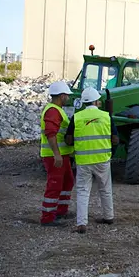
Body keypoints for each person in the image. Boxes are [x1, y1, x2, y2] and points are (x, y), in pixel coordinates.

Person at [65, 87, 119, 234]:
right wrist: (110, 153)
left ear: (84, 102)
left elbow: (68, 140)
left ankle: (81, 223)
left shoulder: (77, 117)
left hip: (83, 161)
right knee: (105, 189)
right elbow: (115, 139)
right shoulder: (106, 116)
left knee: (83, 191)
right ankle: (109, 216)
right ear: (96, 101)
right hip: (102, 159)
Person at [39, 81, 75, 226]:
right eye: (67, 95)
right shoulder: (53, 111)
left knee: (67, 181)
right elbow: (51, 133)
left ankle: (61, 211)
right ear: (62, 96)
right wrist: (57, 154)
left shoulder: (57, 110)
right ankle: (47, 217)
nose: (68, 98)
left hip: (61, 155)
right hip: (54, 156)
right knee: (55, 185)